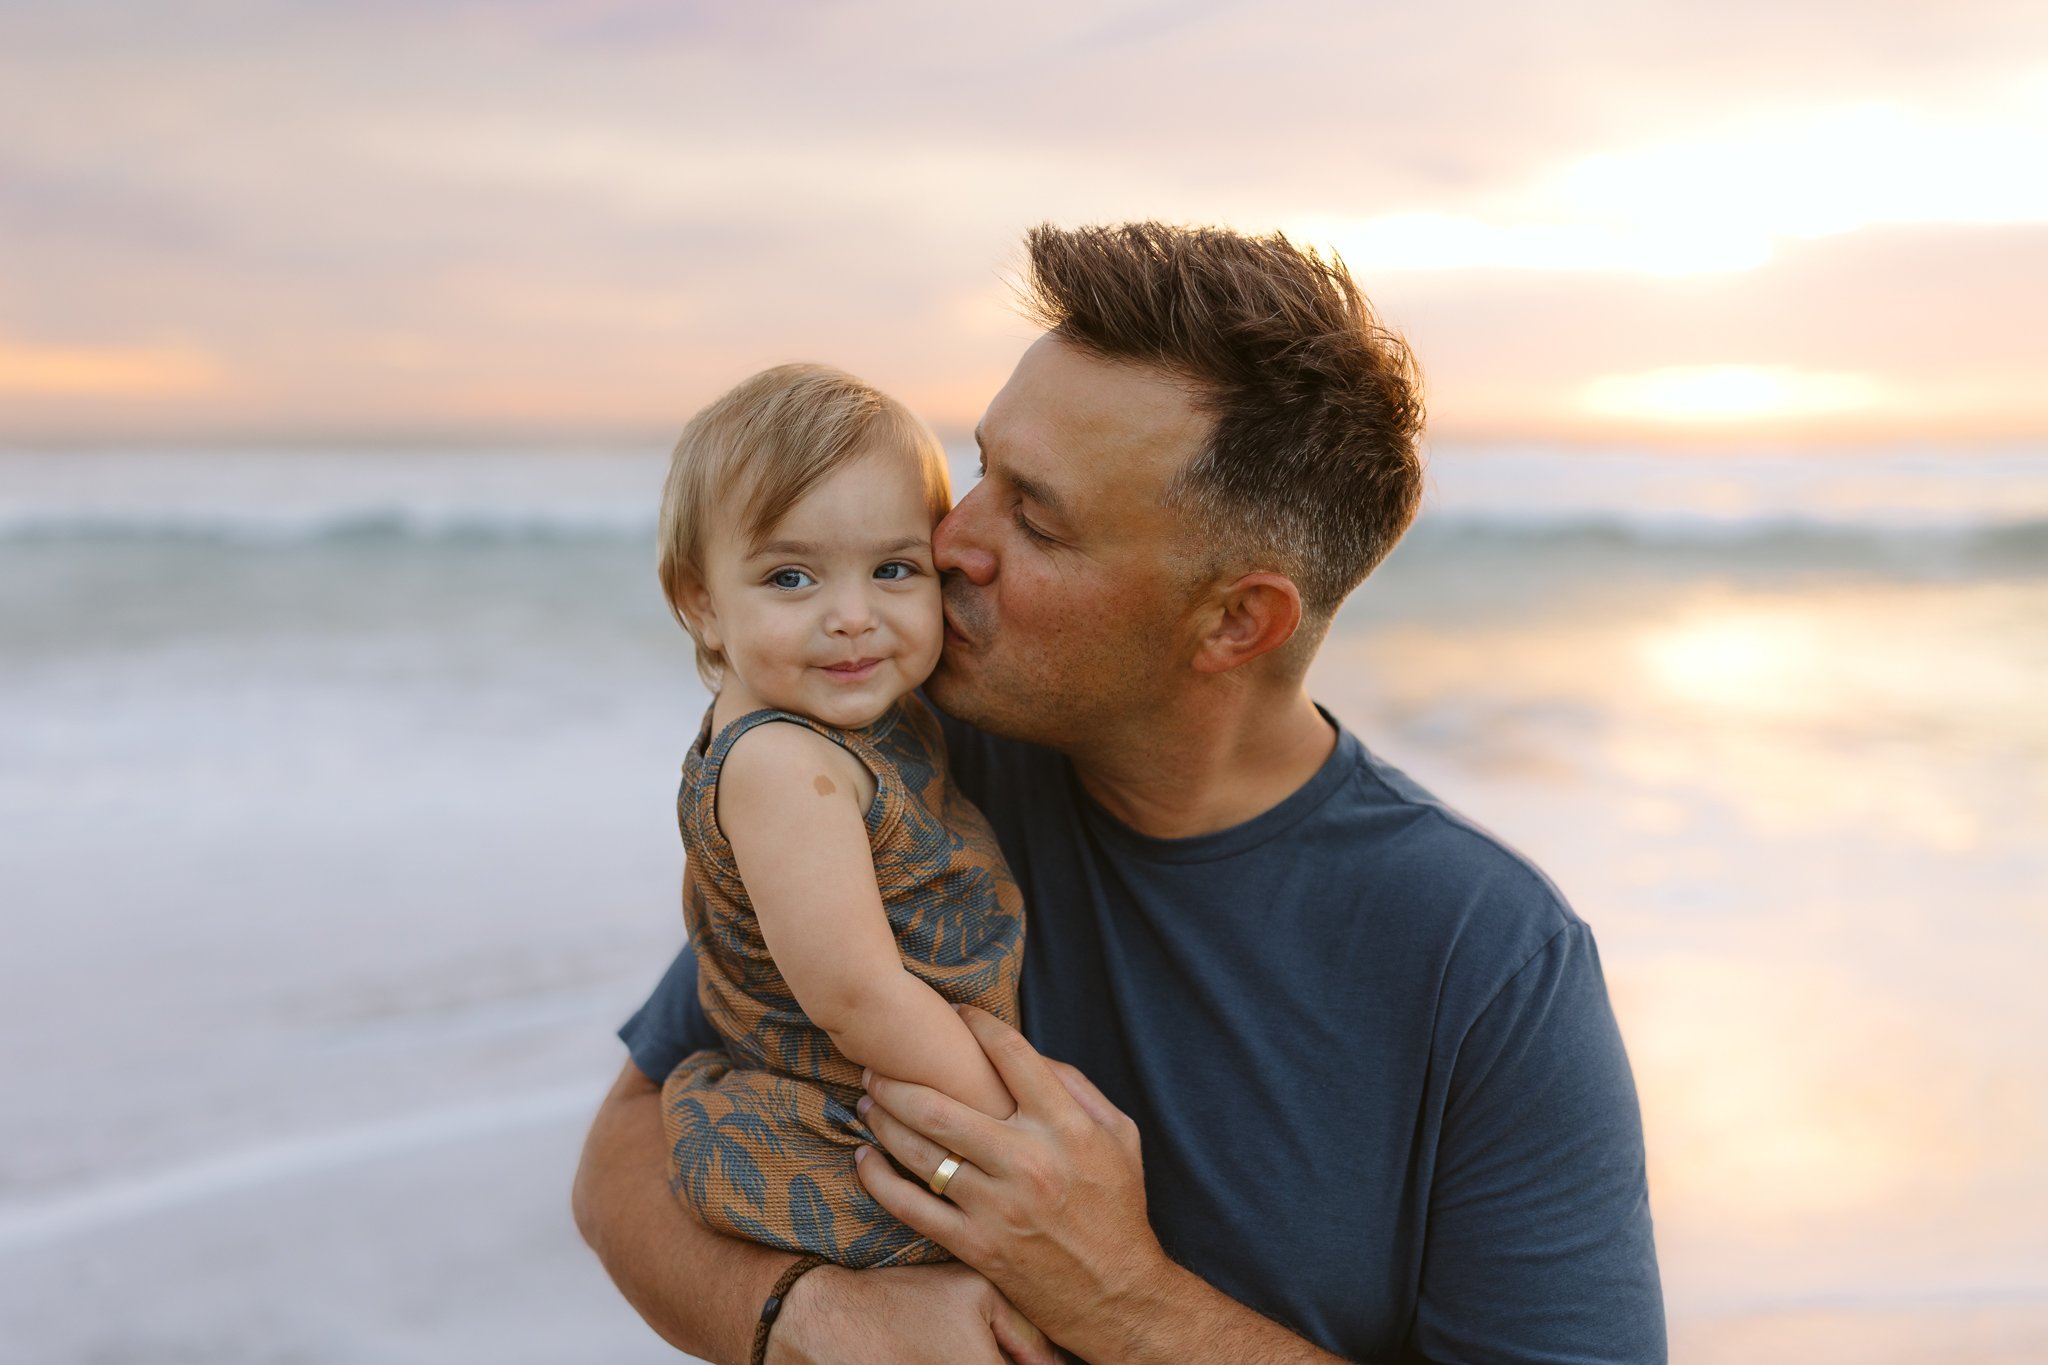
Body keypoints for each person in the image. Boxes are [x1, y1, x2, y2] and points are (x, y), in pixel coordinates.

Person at [574, 222, 1666, 1365]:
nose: (948, 544)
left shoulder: (1483, 958)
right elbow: (626, 1151)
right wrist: (822, 1319)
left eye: (1034, 518)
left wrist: (1123, 1299)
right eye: (982, 468)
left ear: (1236, 622)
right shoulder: (894, 764)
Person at [652, 363, 1026, 1271]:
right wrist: (1009, 1131)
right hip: (854, 1123)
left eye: (894, 568)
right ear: (702, 603)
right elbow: (859, 997)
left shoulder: (851, 715)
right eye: (791, 577)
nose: (854, 617)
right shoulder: (781, 763)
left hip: (903, 1090)